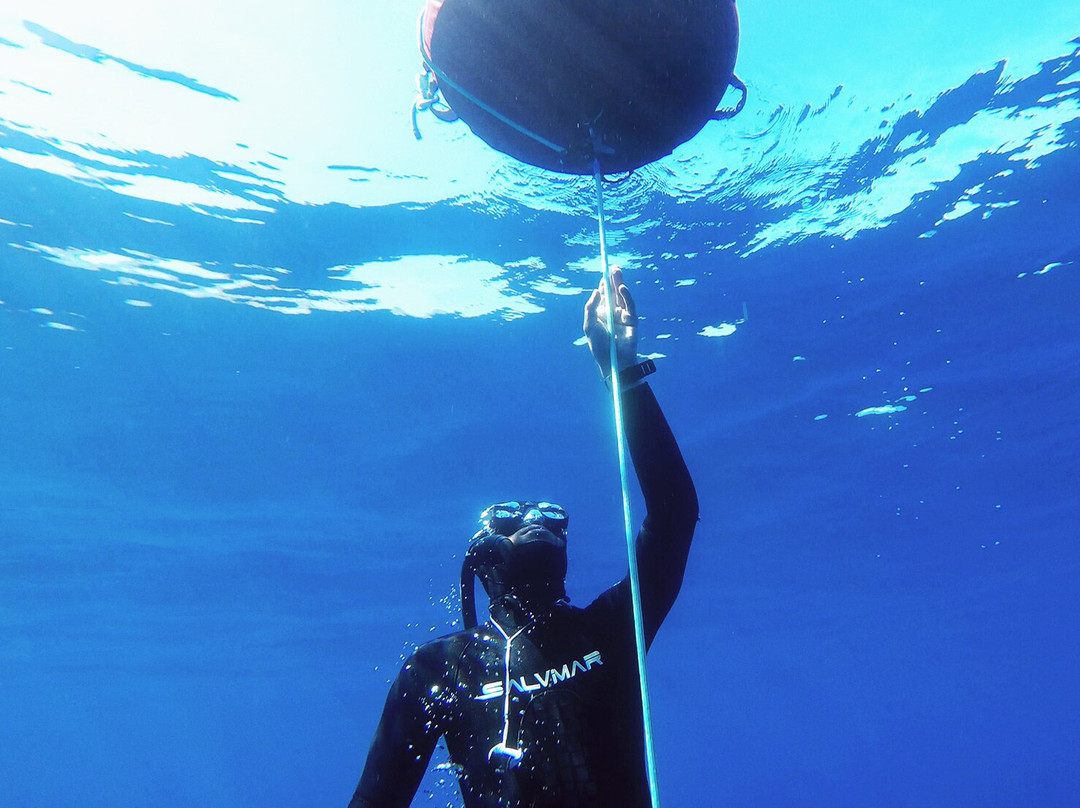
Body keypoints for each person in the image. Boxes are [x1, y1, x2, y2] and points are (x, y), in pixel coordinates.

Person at [347, 268, 698, 807]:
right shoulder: (437, 669)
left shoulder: (611, 628)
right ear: (482, 559)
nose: (534, 519)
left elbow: (674, 515)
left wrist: (623, 373)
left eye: (551, 519)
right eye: (508, 519)